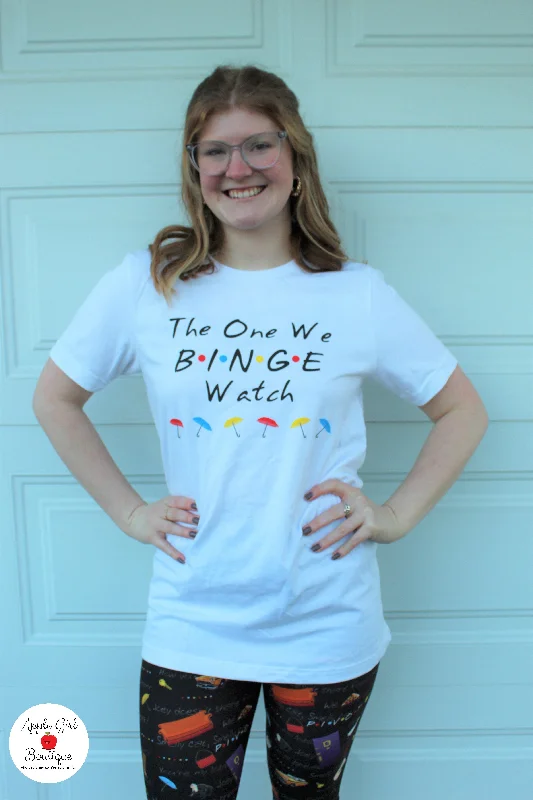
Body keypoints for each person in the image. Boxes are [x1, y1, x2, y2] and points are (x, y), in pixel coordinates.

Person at [33, 64, 476, 799]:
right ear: (195, 168)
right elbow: (55, 398)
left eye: (258, 145)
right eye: (214, 150)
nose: (237, 167)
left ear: (294, 159)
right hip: (192, 620)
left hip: (326, 623)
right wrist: (130, 512)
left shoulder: (354, 294)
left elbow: (461, 409)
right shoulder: (147, 284)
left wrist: (394, 515)